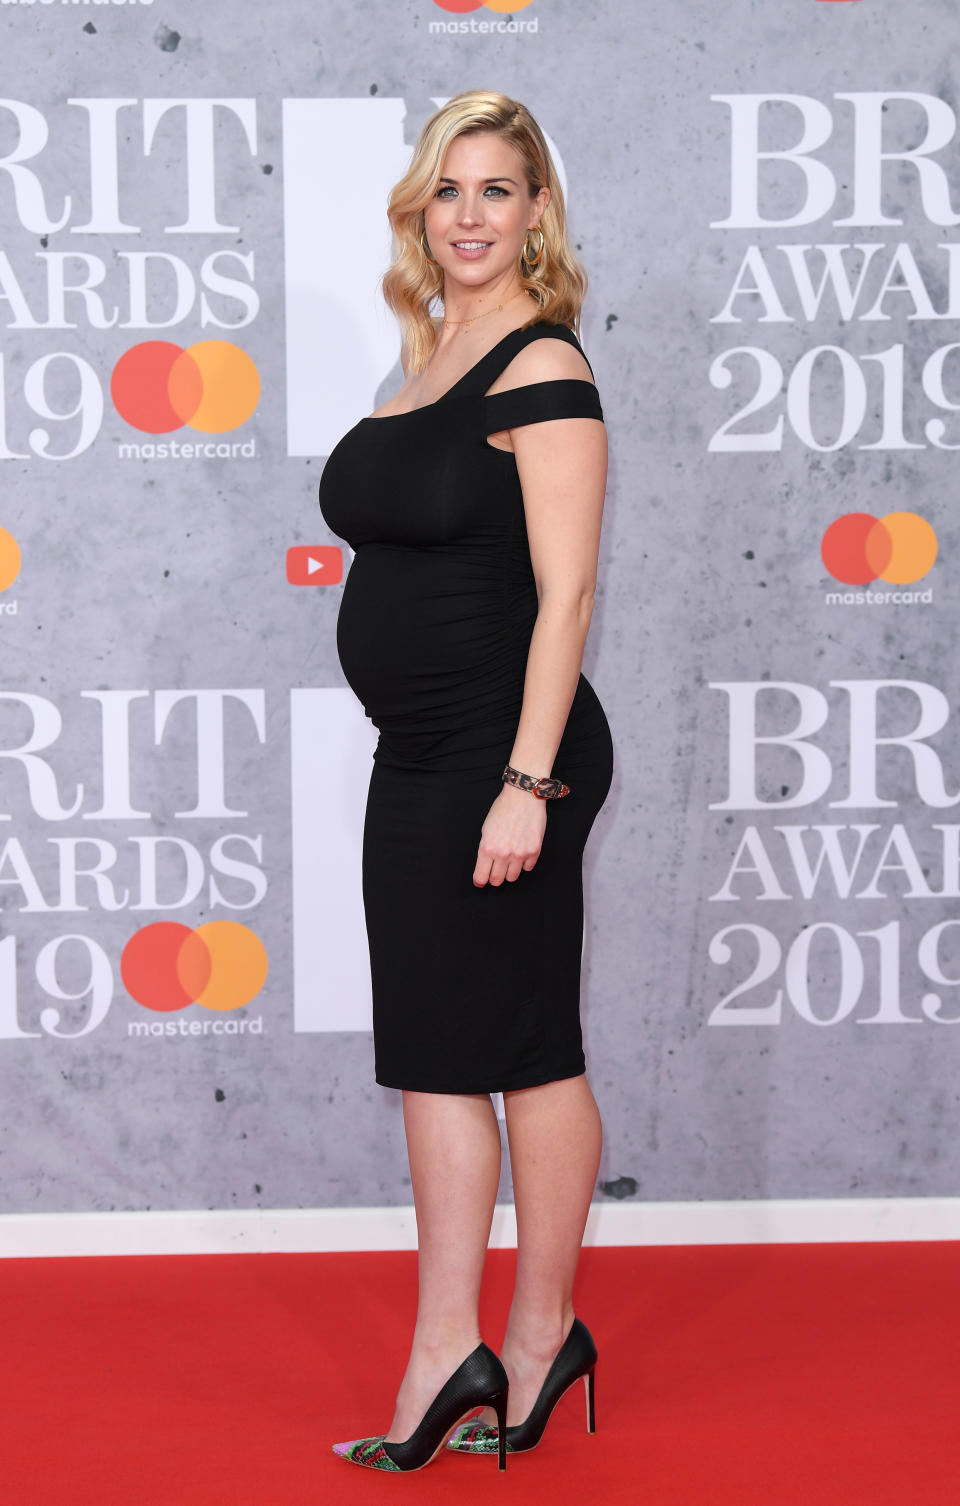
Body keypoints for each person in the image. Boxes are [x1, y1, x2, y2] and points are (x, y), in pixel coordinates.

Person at [318, 89, 613, 1474]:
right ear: (418, 212)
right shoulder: (426, 359)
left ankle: (542, 1331)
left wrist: (527, 783)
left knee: (524, 1045)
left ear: (539, 210)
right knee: (435, 1055)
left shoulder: (545, 362)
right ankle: (452, 1348)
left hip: (510, 755)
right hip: (419, 750)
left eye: (500, 190)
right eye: (450, 190)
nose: (473, 215)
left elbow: (567, 597)